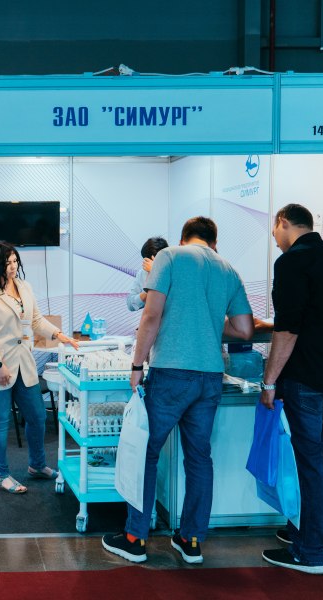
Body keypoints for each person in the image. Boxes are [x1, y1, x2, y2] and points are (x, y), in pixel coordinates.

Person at [102, 216, 253, 564]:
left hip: (171, 372)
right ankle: (191, 540)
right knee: (199, 458)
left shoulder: (170, 257)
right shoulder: (228, 269)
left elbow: (151, 316)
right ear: (214, 243)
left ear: (184, 239)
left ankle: (135, 538)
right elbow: (244, 330)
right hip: (210, 377)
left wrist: (136, 365)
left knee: (146, 451)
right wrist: (209, 323)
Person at [258, 204, 323, 575]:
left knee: (308, 461)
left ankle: (310, 551)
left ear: (283, 222)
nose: (274, 239)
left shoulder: (291, 263)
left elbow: (287, 329)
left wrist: (269, 381)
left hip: (304, 375)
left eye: (274, 231)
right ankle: (320, 534)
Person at [0, 241, 79, 494]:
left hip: (23, 364)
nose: (13, 266)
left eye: (15, 261)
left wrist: (59, 335)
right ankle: (1, 475)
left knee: (38, 417)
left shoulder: (24, 287)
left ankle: (37, 465)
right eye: (7, 263)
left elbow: (36, 320)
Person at [126, 236, 169, 312]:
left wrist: (155, 273)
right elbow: (130, 305)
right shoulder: (143, 273)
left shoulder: (175, 272)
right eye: (146, 262)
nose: (148, 265)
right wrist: (147, 291)